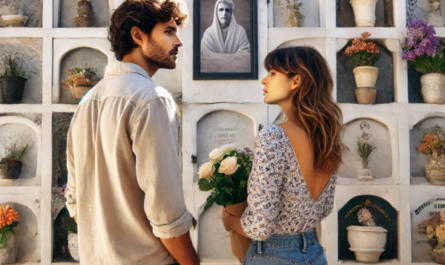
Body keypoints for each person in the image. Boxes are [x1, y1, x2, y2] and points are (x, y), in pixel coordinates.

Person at [64, 0, 199, 264]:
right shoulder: (152, 100)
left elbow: (75, 200)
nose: (179, 41)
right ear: (138, 35)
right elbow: (166, 213)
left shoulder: (87, 101)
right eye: (169, 31)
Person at [221, 47, 343, 264]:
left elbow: (260, 227)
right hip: (315, 254)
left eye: (272, 73)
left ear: (296, 81)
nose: (264, 81)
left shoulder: (273, 137)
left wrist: (230, 221)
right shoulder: (327, 138)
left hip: (273, 256)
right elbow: (324, 209)